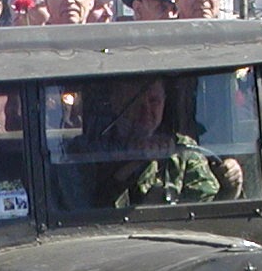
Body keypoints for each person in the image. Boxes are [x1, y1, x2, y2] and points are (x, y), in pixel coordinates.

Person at [68, 76, 221, 207]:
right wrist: (133, 163)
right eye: (135, 102)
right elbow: (81, 209)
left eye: (154, 101)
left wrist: (229, 184)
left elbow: (208, 206)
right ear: (116, 103)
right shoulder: (87, 151)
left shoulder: (182, 150)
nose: (146, 110)